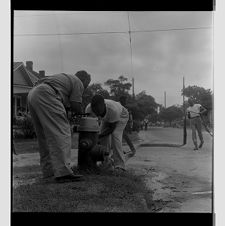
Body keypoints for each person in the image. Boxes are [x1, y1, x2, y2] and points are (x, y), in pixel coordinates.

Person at [27, 70, 91, 183]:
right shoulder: (78, 82)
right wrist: (82, 113)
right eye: (87, 84)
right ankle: (63, 172)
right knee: (62, 133)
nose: (85, 88)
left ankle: (48, 171)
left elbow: (64, 105)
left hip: (33, 94)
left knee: (44, 137)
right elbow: (76, 106)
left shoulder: (64, 79)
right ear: (84, 80)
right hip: (47, 94)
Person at [85, 95, 132, 172]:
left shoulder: (113, 110)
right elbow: (90, 126)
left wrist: (98, 136)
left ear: (104, 105)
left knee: (115, 135)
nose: (96, 113)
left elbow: (111, 129)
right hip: (107, 118)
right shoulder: (89, 109)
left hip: (121, 115)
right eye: (94, 110)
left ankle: (120, 165)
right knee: (103, 137)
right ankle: (106, 163)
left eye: (98, 110)